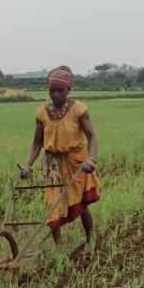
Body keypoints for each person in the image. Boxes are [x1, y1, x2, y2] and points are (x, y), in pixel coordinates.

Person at [21, 65, 100, 246]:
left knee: (81, 203)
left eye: (60, 90)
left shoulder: (79, 109)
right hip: (53, 164)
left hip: (76, 162)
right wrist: (28, 165)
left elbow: (92, 137)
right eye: (52, 90)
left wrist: (91, 158)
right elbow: (37, 143)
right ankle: (58, 246)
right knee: (52, 205)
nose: (55, 94)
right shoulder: (41, 112)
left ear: (68, 89)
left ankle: (89, 241)